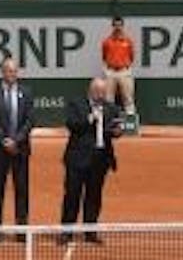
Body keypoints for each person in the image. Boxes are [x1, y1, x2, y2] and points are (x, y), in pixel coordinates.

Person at [59, 77, 123, 246]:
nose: (101, 95)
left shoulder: (111, 108)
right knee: (72, 196)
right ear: (91, 91)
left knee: (94, 197)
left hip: (100, 160)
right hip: (77, 160)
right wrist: (89, 118)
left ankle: (90, 232)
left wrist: (117, 131)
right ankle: (66, 232)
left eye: (103, 92)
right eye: (98, 91)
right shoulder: (76, 105)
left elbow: (114, 130)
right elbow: (72, 124)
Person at [0, 58, 33, 241]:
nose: (11, 74)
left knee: (22, 189)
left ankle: (22, 231)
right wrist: (4, 140)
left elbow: (30, 120)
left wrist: (17, 140)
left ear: (17, 73)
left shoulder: (27, 92)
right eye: (7, 71)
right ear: (2, 73)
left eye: (14, 71)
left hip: (21, 149)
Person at [101, 17, 135, 116]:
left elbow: (132, 56)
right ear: (112, 26)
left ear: (123, 26)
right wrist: (109, 68)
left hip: (124, 71)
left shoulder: (128, 41)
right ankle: (108, 121)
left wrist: (124, 65)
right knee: (108, 98)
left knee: (128, 97)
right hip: (110, 72)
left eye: (120, 25)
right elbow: (104, 56)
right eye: (115, 25)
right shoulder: (107, 41)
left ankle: (130, 121)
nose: (118, 27)